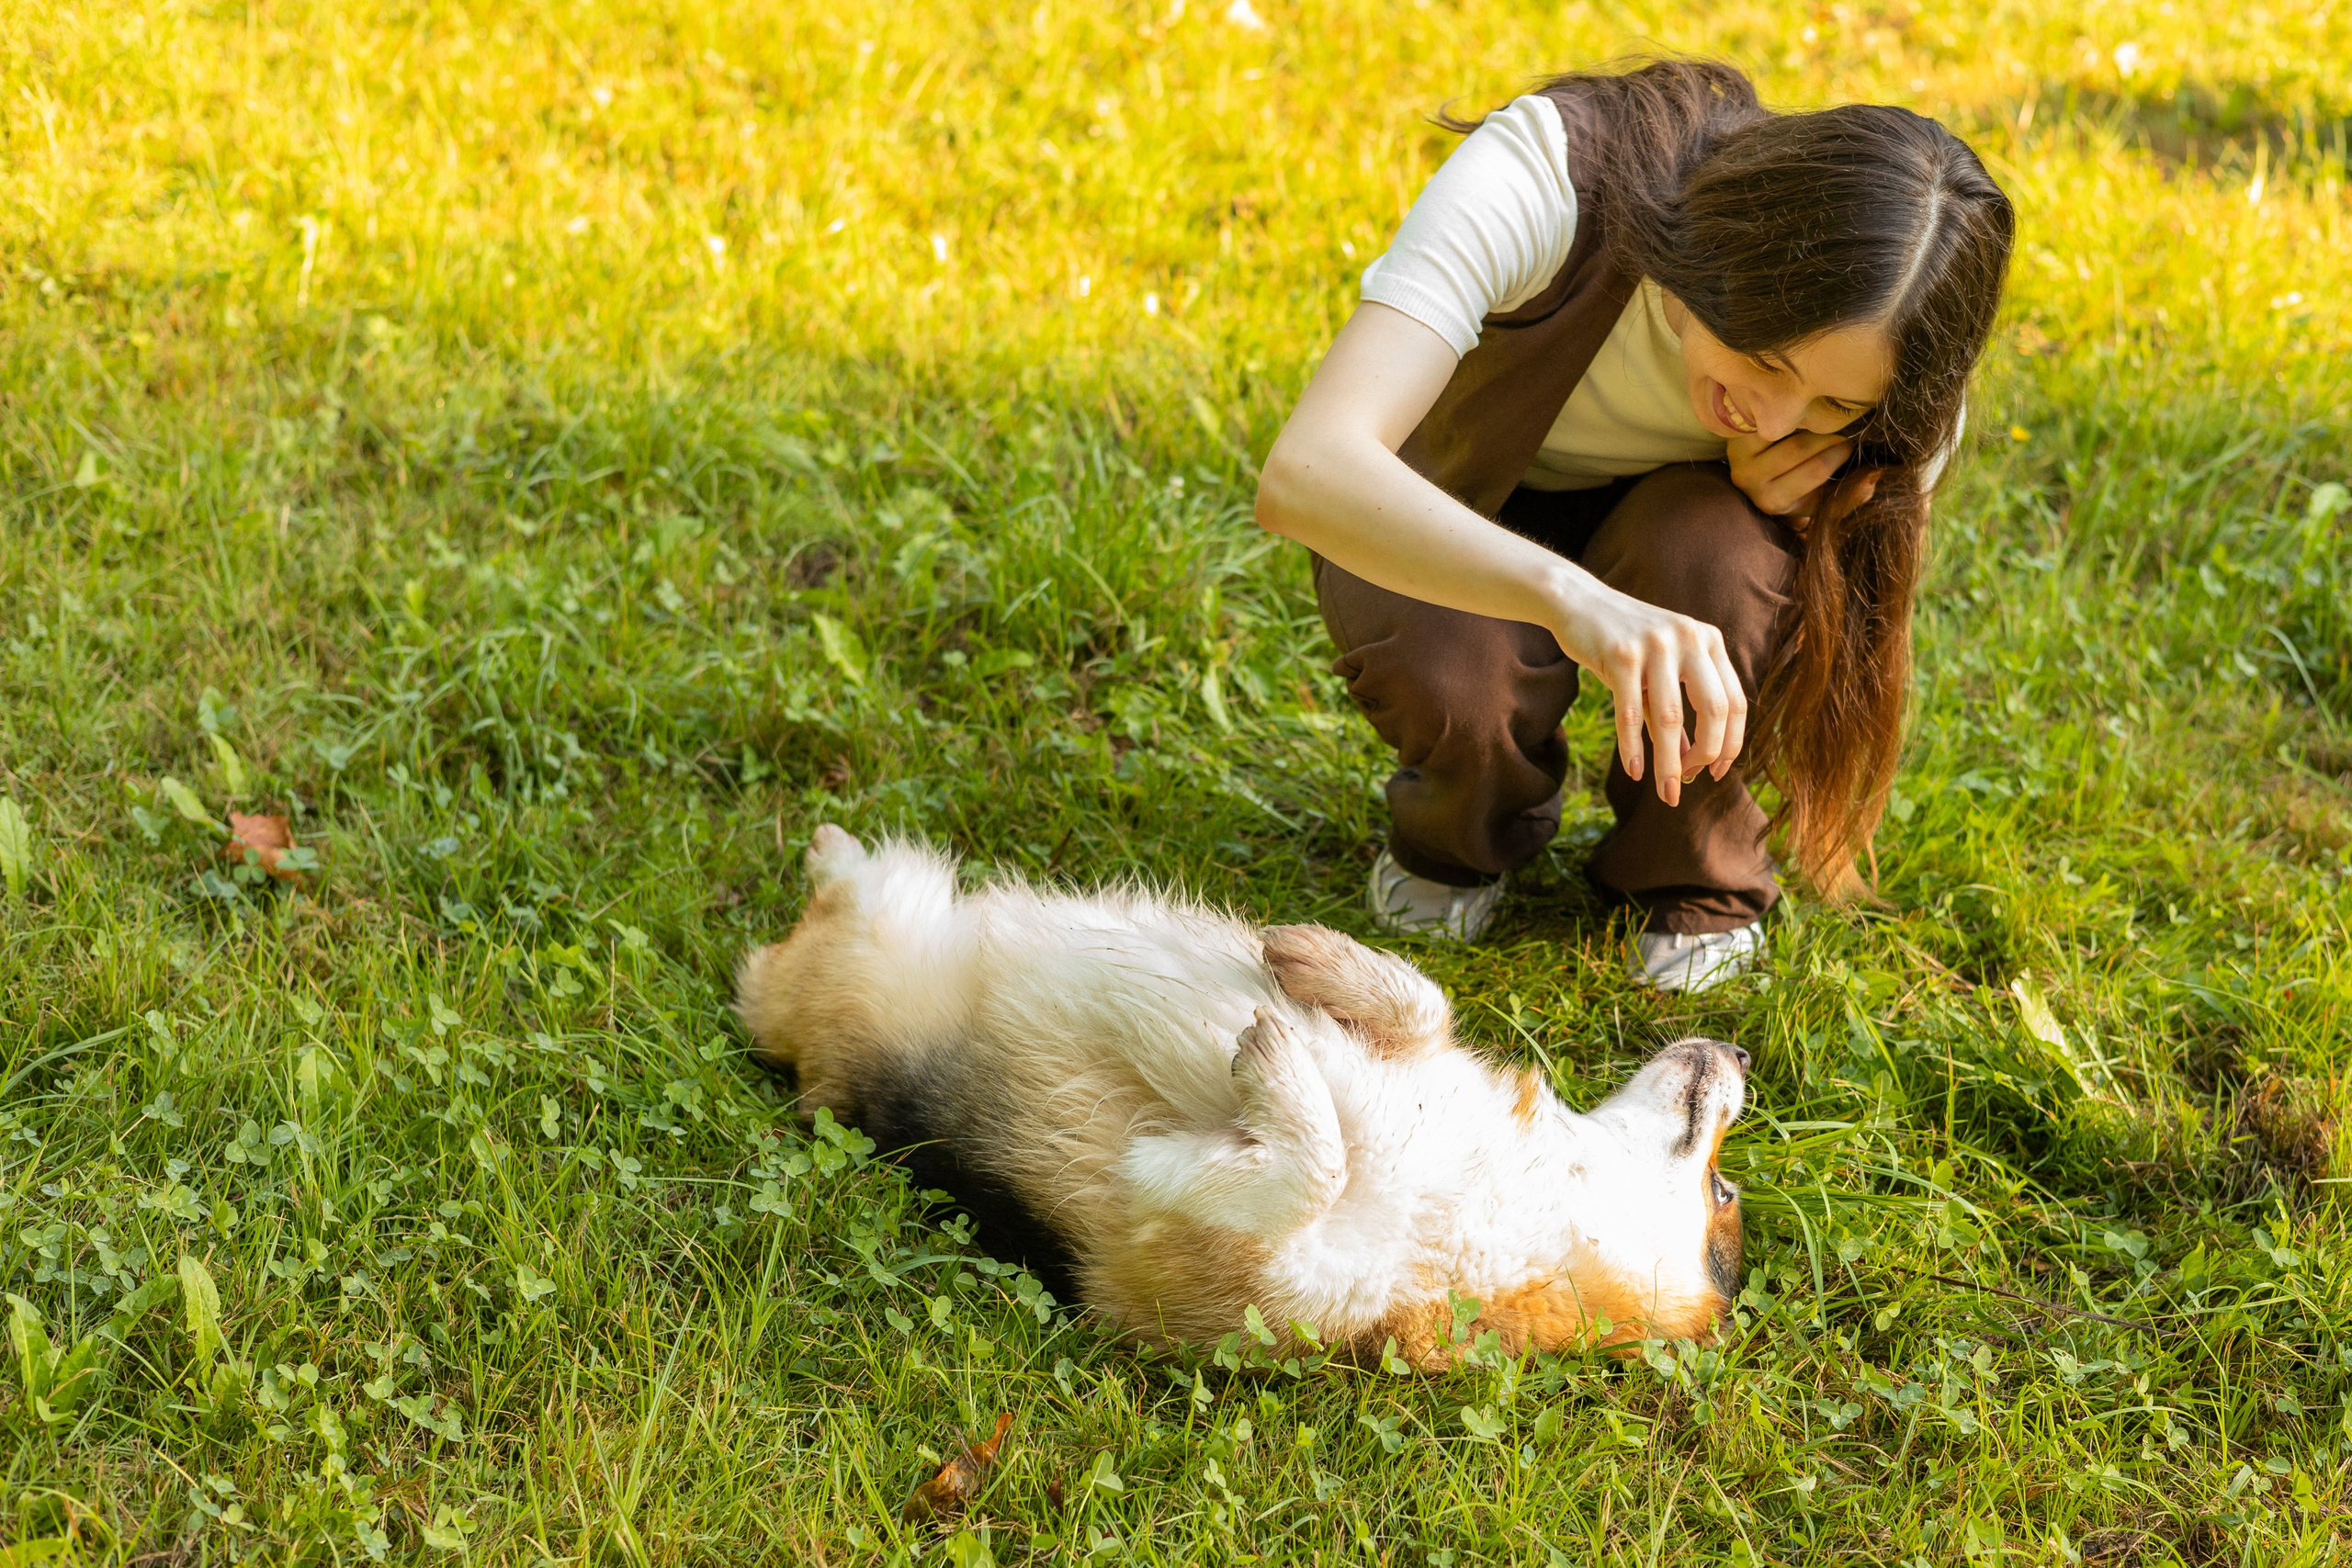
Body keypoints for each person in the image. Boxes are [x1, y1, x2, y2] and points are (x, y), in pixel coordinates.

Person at [1254, 59, 2014, 991]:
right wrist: (1572, 600)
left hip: (1673, 533)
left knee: (1715, 556)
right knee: (1451, 668)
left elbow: (1844, 608)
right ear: (1725, 252)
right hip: (1458, 499)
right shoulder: (1551, 174)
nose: (1774, 421)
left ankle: (1690, 868)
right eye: (1767, 359)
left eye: (1829, 405)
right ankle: (1461, 832)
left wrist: (1805, 509)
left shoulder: (1903, 369)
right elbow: (1308, 471)